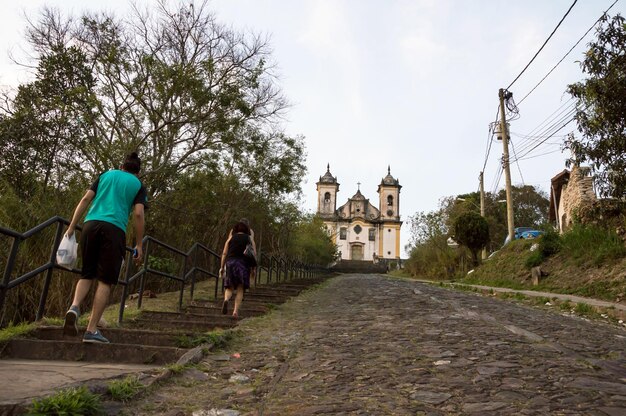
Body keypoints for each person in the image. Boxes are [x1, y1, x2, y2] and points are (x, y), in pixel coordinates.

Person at [63, 152, 148, 343]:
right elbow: (138, 214)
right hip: (114, 229)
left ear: (122, 165)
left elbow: (85, 199)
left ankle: (74, 307)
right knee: (105, 281)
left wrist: (71, 227)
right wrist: (139, 244)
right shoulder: (138, 185)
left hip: (90, 225)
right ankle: (91, 330)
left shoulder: (106, 175)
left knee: (87, 273)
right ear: (138, 171)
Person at [219, 221, 256, 318]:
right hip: (243, 264)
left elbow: (224, 253)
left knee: (229, 287)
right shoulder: (248, 238)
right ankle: (235, 311)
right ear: (247, 230)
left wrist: (222, 267)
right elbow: (253, 254)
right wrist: (253, 268)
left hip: (230, 263)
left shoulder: (231, 238)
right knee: (240, 288)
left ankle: (226, 300)